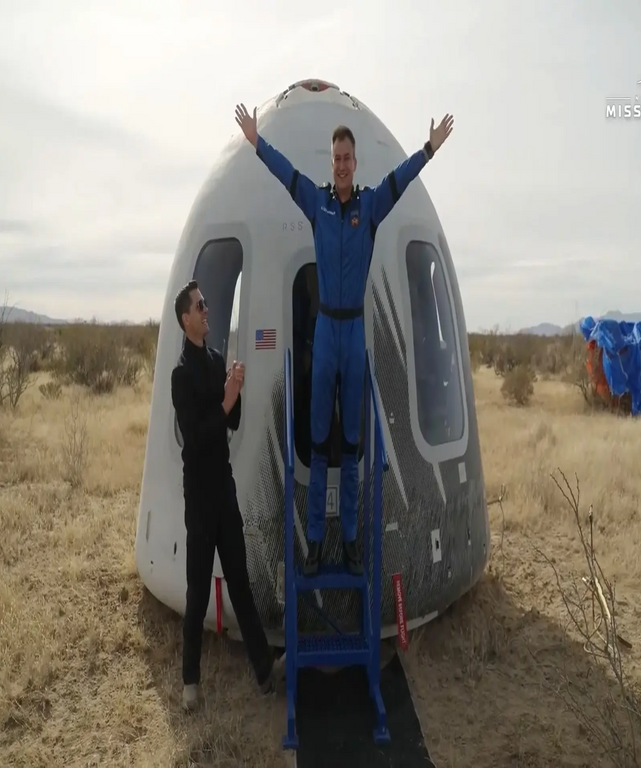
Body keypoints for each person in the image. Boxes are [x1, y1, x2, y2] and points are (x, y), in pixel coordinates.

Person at [235, 102, 454, 577]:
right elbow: (285, 174)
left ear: (355, 163)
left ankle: (351, 544)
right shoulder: (318, 204)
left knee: (351, 446)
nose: (341, 164)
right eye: (336, 158)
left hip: (354, 332)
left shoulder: (369, 207)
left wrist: (428, 150)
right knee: (317, 445)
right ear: (331, 163)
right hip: (324, 334)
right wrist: (256, 143)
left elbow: (400, 180)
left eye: (347, 158)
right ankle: (314, 545)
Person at [170, 279, 284, 711]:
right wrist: (224, 401)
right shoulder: (181, 374)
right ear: (186, 319)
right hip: (199, 494)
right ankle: (190, 681)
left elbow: (230, 422)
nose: (206, 310)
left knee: (239, 579)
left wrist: (235, 388)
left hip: (224, 486)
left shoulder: (216, 359)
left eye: (205, 304)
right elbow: (194, 438)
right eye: (199, 306)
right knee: (197, 590)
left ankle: (262, 669)